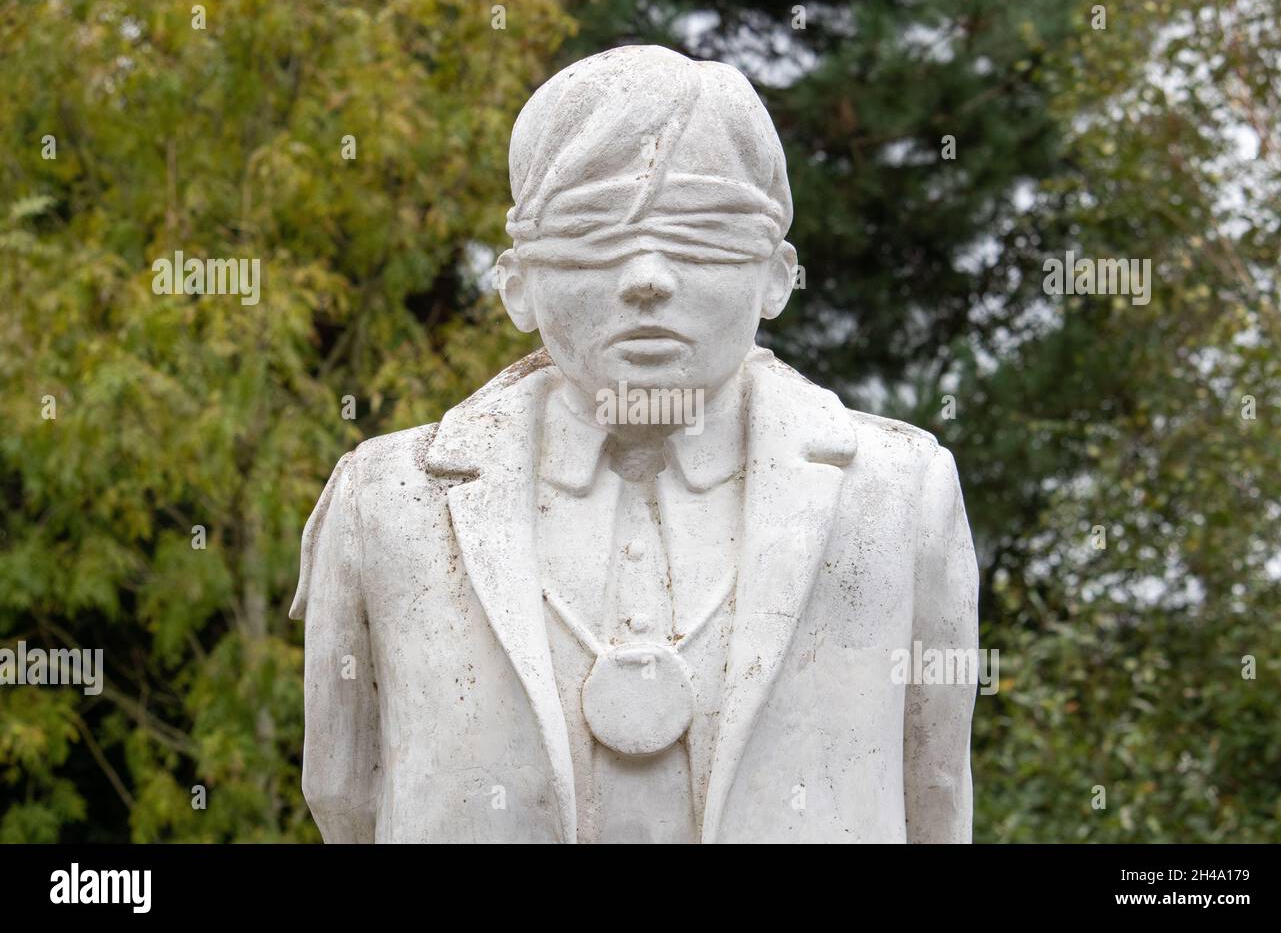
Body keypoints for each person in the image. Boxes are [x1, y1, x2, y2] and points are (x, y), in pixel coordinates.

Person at [292, 45, 979, 843]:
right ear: (516, 283)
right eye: (592, 232)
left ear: (776, 277)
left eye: (702, 233)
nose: (648, 275)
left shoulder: (899, 497)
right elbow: (344, 792)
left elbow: (934, 791)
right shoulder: (387, 501)